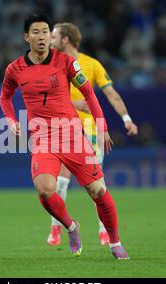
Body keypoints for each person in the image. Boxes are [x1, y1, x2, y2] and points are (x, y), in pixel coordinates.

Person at [0, 14, 129, 259]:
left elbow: (89, 93)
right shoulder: (14, 69)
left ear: (51, 35)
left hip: (72, 135)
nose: (42, 36)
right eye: (36, 32)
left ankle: (115, 242)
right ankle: (71, 226)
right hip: (42, 138)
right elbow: (4, 97)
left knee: (99, 191)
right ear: (26, 37)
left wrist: (101, 126)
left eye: (46, 31)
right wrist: (11, 119)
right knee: (45, 190)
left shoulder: (66, 62)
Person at [48, 22, 138, 246]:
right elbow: (44, 98)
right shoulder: (50, 65)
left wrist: (126, 119)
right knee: (60, 181)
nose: (49, 40)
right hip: (64, 129)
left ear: (65, 40)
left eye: (53, 36)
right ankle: (56, 229)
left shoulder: (91, 65)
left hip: (90, 132)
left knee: (96, 184)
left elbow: (111, 94)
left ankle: (104, 231)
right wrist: (76, 103)